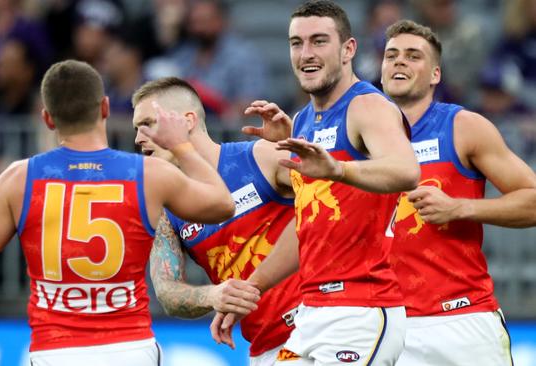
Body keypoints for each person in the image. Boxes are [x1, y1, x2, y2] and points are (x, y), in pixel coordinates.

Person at [0, 60, 235, 366]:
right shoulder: (148, 174)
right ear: (104, 108)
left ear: (47, 119)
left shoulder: (19, 179)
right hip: (131, 349)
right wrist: (182, 146)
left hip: (54, 351)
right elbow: (223, 204)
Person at [212, 1, 420, 365]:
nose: (305, 53)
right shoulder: (304, 119)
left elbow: (406, 171)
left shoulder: (366, 106)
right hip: (311, 312)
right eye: (297, 43)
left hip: (361, 309)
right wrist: (251, 289)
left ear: (348, 49)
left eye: (319, 41)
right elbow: (307, 223)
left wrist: (338, 170)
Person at [380, 19, 536, 365]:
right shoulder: (357, 138)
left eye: (413, 56)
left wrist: (460, 208)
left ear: (436, 74)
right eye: (391, 55)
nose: (399, 62)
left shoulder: (463, 127)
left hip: (460, 320)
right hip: (384, 325)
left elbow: (533, 200)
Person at [132, 76, 303, 365]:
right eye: (136, 129)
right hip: (266, 349)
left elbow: (335, 198)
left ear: (187, 121)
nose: (138, 139)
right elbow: (166, 291)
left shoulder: (259, 158)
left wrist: (298, 140)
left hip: (317, 325)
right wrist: (212, 295)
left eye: (149, 123)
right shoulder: (167, 211)